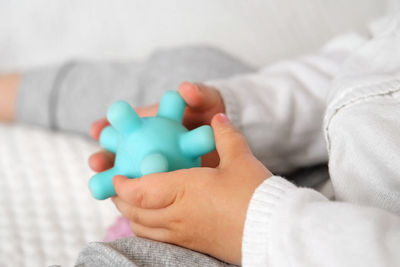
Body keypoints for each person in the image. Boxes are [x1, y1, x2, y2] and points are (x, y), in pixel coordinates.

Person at [1, 5, 399, 267]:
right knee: (191, 72)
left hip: (317, 245)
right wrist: (243, 109)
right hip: (316, 153)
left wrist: (254, 225)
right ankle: (13, 90)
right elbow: (366, 62)